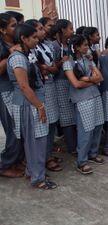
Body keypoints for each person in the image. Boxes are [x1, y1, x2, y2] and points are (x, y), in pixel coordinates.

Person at [8, 24, 56, 189]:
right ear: (23, 38)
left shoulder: (28, 54)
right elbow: (24, 86)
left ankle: (33, 171)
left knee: (38, 140)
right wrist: (39, 107)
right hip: (29, 104)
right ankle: (38, 178)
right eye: (34, 37)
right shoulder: (18, 58)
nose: (37, 40)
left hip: (34, 102)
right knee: (36, 141)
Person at [64, 34, 105, 174]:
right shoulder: (68, 62)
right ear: (76, 47)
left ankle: (93, 153)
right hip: (82, 99)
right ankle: (82, 160)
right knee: (85, 129)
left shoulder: (88, 60)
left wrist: (86, 79)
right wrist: (92, 80)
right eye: (85, 45)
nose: (88, 47)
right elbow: (75, 84)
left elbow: (100, 77)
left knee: (98, 125)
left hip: (95, 95)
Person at [25, 19, 62, 172]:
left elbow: (52, 68)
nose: (43, 31)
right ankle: (43, 159)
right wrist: (47, 68)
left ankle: (48, 154)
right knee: (43, 124)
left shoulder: (44, 46)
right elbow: (40, 69)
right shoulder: (29, 51)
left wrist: (48, 68)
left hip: (50, 86)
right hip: (42, 88)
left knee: (52, 122)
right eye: (39, 29)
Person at [0, 13, 24, 178]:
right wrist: (10, 53)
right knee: (13, 129)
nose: (16, 28)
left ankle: (17, 159)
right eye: (13, 25)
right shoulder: (2, 46)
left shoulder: (17, 42)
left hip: (18, 90)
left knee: (21, 128)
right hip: (5, 91)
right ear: (2, 30)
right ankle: (5, 165)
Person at [51, 19, 77, 154]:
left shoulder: (70, 46)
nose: (73, 31)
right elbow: (52, 68)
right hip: (60, 83)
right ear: (62, 30)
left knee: (74, 114)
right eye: (70, 28)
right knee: (66, 117)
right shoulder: (54, 46)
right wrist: (61, 62)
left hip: (71, 83)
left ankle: (75, 143)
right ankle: (71, 147)